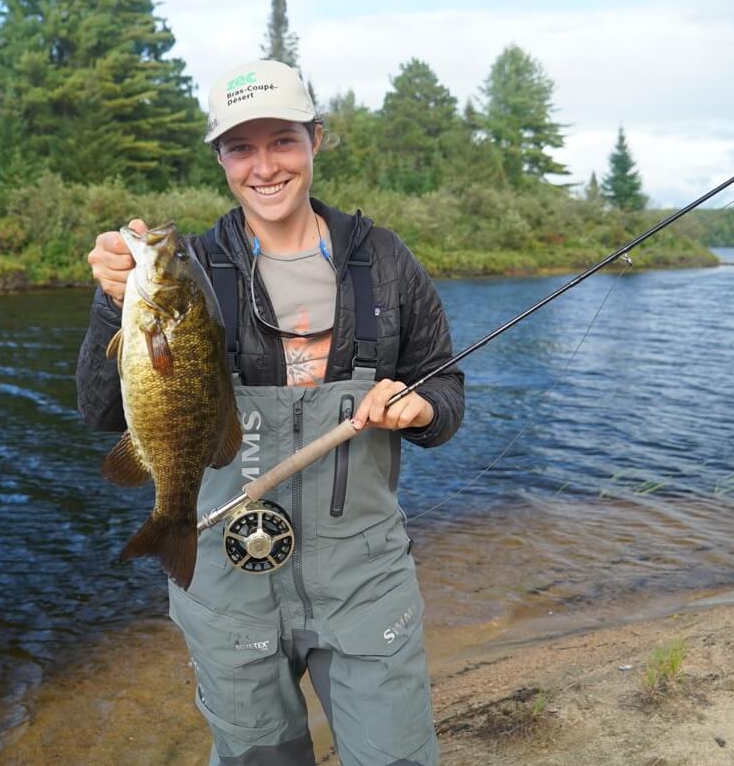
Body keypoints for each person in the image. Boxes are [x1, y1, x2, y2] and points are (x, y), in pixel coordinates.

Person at [76, 59, 464, 766]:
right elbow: (103, 411)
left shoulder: (385, 263)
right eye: (241, 147)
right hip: (229, 584)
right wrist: (113, 298)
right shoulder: (188, 269)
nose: (264, 166)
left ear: (316, 139)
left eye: (283, 140)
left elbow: (448, 394)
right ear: (220, 158)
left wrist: (421, 407)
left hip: (365, 580)